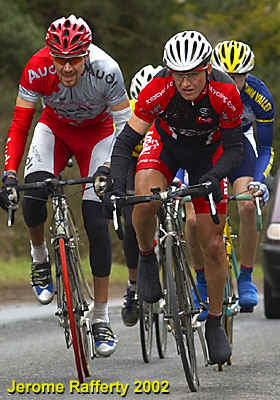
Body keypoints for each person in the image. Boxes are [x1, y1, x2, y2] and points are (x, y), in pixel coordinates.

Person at [99, 30, 244, 365]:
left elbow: (235, 149)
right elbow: (124, 145)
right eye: (179, 75)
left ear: (207, 68)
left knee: (211, 242)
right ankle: (148, 258)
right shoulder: (158, 88)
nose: (186, 83)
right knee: (144, 197)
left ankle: (213, 321)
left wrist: (213, 178)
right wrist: (116, 186)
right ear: (170, 73)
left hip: (211, 155)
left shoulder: (225, 92)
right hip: (167, 147)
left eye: (192, 74)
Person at [2, 15, 131, 357]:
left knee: (96, 220)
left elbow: (125, 126)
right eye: (60, 59)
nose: (67, 67)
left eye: (75, 59)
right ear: (50, 55)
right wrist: (9, 175)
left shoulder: (108, 70)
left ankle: (102, 316)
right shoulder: (36, 68)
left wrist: (109, 169)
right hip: (55, 131)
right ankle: (40, 258)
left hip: (99, 136)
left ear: (87, 54)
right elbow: (19, 125)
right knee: (32, 193)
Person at [185, 40, 274, 318]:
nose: (233, 82)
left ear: (248, 75)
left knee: (247, 203)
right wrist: (177, 177)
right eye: (228, 76)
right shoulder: (200, 89)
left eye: (240, 77)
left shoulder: (259, 96)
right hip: (204, 144)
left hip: (239, 144)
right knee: (190, 219)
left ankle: (246, 276)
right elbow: (176, 139)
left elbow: (266, 148)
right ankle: (201, 279)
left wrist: (260, 180)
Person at [120, 64, 163, 327]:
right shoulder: (128, 116)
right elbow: (119, 152)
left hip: (162, 162)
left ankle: (173, 258)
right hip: (132, 165)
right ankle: (133, 286)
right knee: (130, 226)